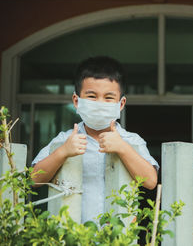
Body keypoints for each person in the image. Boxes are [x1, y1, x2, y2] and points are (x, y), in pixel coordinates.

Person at [32, 56, 159, 223]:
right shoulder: (65, 139)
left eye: (108, 98)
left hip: (118, 238)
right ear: (76, 101)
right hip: (72, 235)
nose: (100, 103)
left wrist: (122, 147)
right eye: (91, 96)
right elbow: (33, 179)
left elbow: (151, 181)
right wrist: (63, 152)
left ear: (121, 104)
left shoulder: (131, 140)